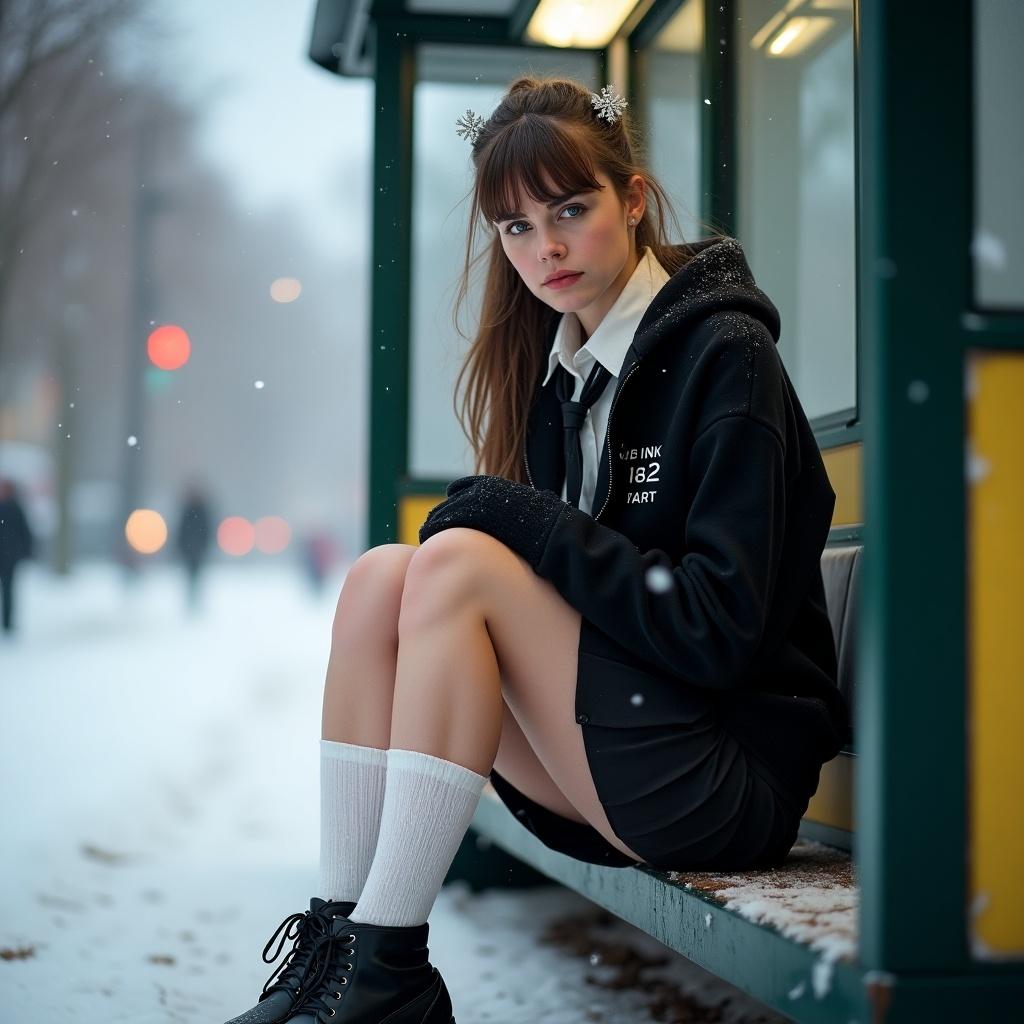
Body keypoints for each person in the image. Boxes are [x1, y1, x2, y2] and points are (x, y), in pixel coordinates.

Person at [223, 75, 851, 1024]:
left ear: (632, 200)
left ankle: (390, 974)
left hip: (725, 776)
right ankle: (343, 950)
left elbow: (719, 631)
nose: (545, 247)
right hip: (629, 749)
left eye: (570, 209)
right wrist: (526, 526)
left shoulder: (726, 358)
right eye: (515, 227)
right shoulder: (564, 377)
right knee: (380, 576)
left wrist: (534, 526)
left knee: (458, 564)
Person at [0, 477, 34, 635]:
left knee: (8, 590)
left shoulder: (15, 507)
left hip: (9, 556)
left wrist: (27, 551)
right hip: (9, 553)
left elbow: (24, 531)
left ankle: (7, 623)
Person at [175, 484, 212, 611]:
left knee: (196, 575)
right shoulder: (189, 510)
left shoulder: (200, 510)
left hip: (197, 549)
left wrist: (202, 545)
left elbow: (206, 530)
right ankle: (191, 599)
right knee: (190, 575)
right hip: (189, 549)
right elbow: (182, 529)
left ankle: (194, 600)